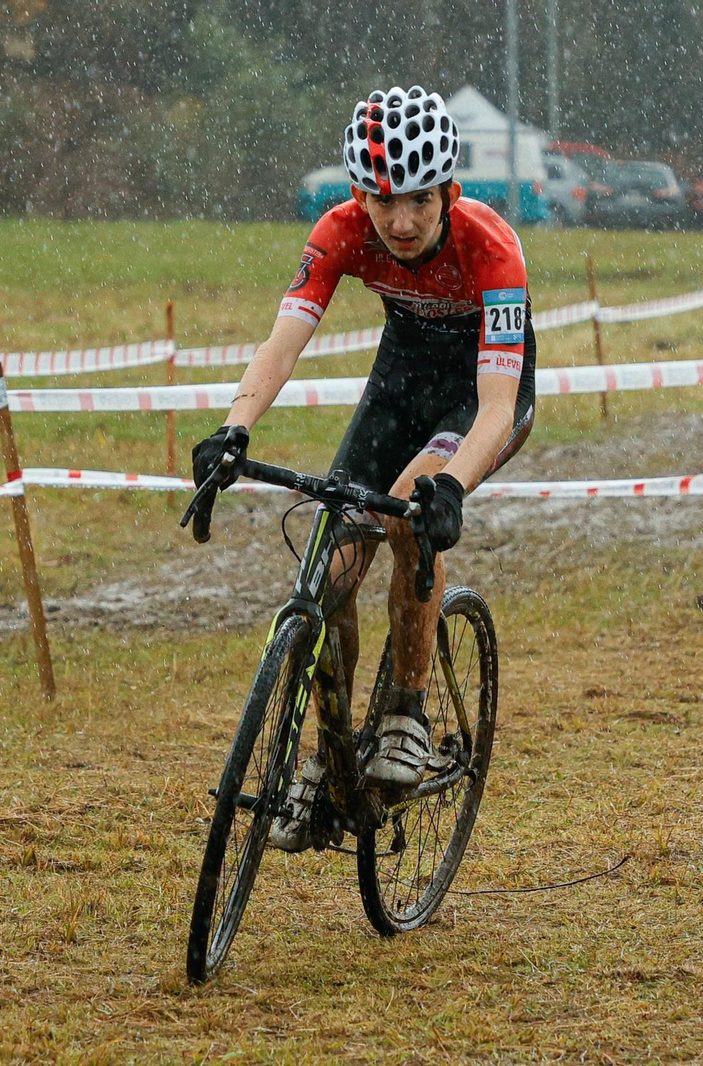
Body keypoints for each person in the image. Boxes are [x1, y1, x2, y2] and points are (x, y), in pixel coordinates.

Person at [191, 85, 536, 851]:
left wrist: (450, 485)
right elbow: (282, 342)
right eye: (383, 202)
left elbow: (496, 403)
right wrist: (232, 429)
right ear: (358, 193)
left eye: (418, 200)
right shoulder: (342, 231)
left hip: (478, 397)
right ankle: (329, 754)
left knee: (407, 511)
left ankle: (409, 707)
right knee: (330, 568)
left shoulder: (493, 245)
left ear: (450, 189)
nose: (402, 222)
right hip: (401, 381)